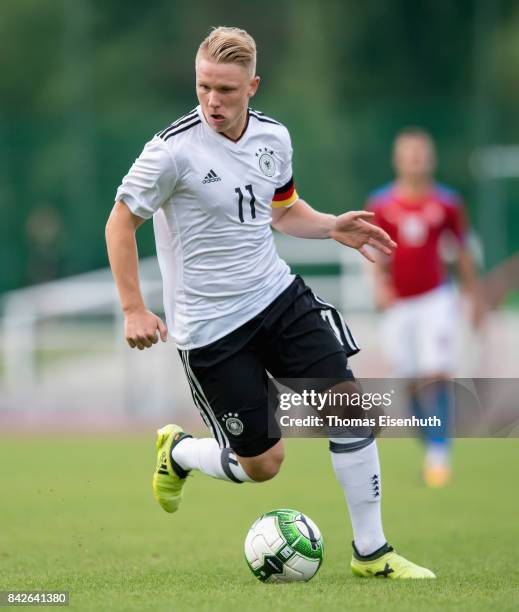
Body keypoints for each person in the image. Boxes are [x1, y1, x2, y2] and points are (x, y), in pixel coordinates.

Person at [106, 27, 435, 579]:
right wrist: (133, 308)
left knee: (348, 407)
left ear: (252, 86)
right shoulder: (170, 152)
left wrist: (332, 227)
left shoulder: (274, 139)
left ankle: (372, 554)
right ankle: (181, 452)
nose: (213, 100)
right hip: (211, 330)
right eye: (204, 86)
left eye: (227, 90)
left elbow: (281, 211)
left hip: (276, 297)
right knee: (263, 465)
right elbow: (120, 223)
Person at [366, 128, 483, 487]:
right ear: (398, 160)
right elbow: (373, 252)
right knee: (409, 381)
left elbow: (462, 251)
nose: (415, 159)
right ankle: (430, 441)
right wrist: (379, 287)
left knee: (438, 373)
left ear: (430, 159)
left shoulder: (447, 203)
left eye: (421, 153)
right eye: (409, 153)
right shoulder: (381, 204)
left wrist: (473, 296)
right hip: (400, 305)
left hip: (437, 299)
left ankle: (439, 453)